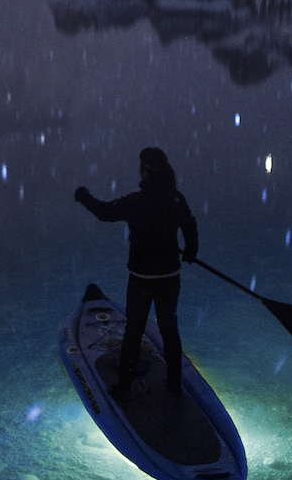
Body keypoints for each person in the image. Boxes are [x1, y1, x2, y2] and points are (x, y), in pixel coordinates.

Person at [74, 146, 199, 400]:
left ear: (145, 171)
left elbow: (105, 213)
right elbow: (189, 225)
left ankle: (123, 387)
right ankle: (174, 386)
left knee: (134, 331)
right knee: (169, 329)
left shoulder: (136, 202)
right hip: (169, 278)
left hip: (142, 279)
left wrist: (83, 196)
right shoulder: (175, 198)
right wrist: (191, 251)